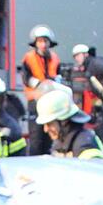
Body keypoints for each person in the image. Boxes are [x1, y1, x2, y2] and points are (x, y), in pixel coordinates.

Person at [21, 25, 62, 156]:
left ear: (50, 43)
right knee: (36, 140)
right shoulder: (28, 58)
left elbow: (58, 76)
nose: (43, 44)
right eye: (40, 41)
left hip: (51, 103)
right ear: (35, 43)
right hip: (35, 102)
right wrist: (41, 84)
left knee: (49, 139)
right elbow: (26, 78)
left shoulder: (55, 58)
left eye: (45, 41)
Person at [35, 87, 103, 160]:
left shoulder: (85, 144)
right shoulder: (61, 141)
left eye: (49, 124)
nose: (45, 129)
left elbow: (92, 170)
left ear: (64, 121)